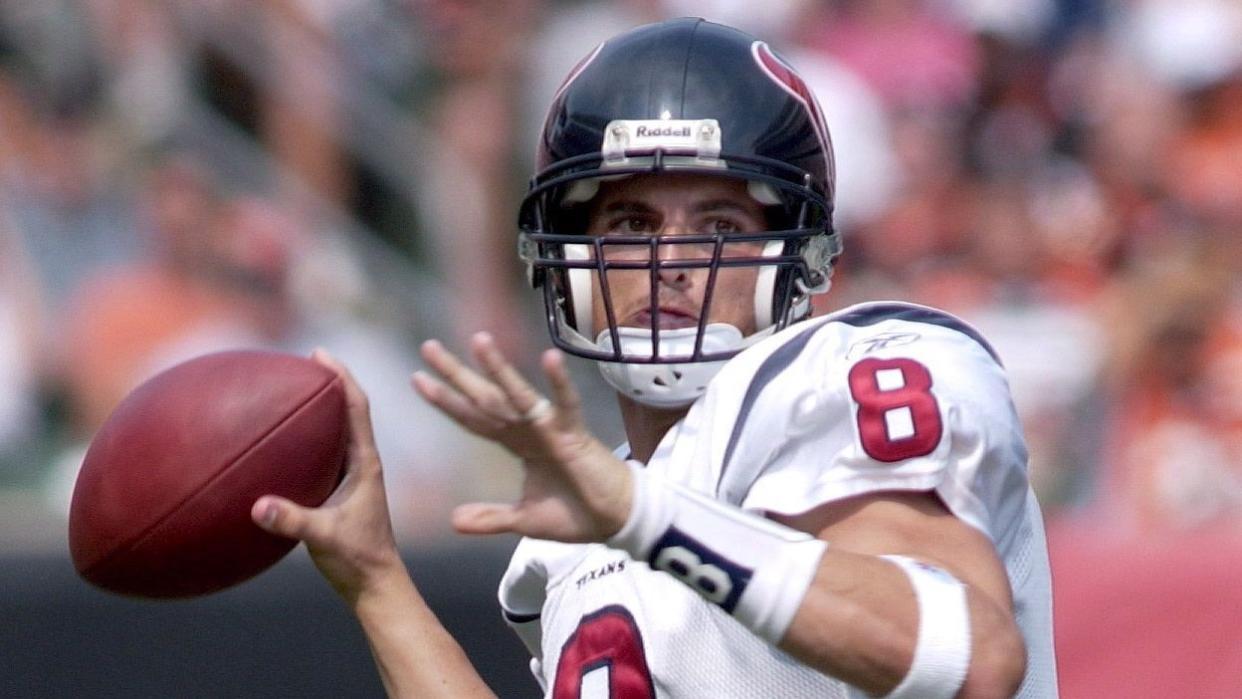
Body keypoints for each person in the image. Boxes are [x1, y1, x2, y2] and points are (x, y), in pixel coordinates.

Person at [251, 18, 1057, 698]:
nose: (671, 259)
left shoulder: (849, 371)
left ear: (793, 257)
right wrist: (376, 579)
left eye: (717, 226)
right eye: (631, 224)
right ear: (566, 260)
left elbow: (969, 652)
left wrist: (643, 516)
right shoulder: (575, 535)